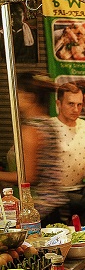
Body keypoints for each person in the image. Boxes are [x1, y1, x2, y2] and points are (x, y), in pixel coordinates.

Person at [0, 72, 67, 225]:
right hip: (53, 207)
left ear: (30, 98)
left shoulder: (30, 130)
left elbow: (28, 177)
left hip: (38, 211)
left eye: (17, 94)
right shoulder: (48, 123)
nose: (13, 99)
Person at [51, 83, 85, 224]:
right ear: (58, 104)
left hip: (84, 186)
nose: (76, 109)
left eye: (79, 105)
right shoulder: (50, 127)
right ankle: (80, 239)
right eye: (71, 104)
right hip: (59, 191)